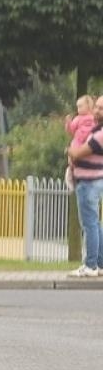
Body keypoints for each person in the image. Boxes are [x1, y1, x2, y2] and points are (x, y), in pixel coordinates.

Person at [66, 94, 103, 278]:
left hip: (89, 182)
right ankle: (100, 263)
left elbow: (78, 153)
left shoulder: (100, 135)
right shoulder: (95, 130)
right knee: (95, 224)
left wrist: (69, 151)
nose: (96, 110)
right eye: (96, 106)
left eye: (101, 108)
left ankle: (90, 265)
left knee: (89, 225)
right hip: (90, 181)